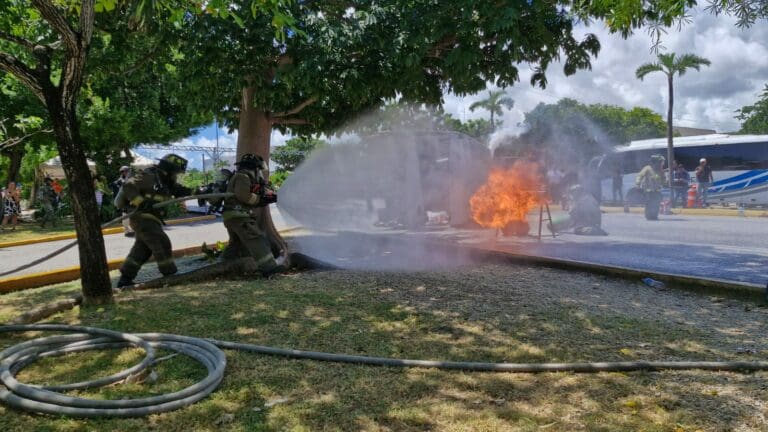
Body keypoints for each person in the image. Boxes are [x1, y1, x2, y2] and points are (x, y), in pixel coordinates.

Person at [114, 154, 192, 288]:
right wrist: (140, 201)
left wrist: (199, 191)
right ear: (168, 169)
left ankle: (125, 279)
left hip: (151, 219)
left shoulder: (165, 181)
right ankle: (170, 275)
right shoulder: (149, 176)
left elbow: (180, 190)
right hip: (142, 217)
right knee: (161, 242)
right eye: (175, 172)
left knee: (142, 250)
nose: (176, 176)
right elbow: (128, 186)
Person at [221, 153, 283, 275]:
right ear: (254, 168)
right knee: (256, 238)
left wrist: (269, 196)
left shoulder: (244, 177)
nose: (259, 173)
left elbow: (255, 192)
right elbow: (244, 196)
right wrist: (261, 200)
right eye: (258, 170)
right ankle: (269, 268)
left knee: (237, 243)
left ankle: (226, 262)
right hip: (238, 216)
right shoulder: (242, 177)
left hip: (233, 215)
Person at [636, 154, 666, 220]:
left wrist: (665, 182)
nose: (661, 164)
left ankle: (655, 216)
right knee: (649, 204)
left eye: (662, 162)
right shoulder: (647, 168)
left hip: (657, 191)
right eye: (660, 162)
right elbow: (640, 176)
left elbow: (664, 180)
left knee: (657, 204)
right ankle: (648, 216)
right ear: (655, 162)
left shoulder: (660, 170)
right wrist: (638, 184)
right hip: (648, 191)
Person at [111, 166, 134, 237]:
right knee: (125, 214)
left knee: (133, 214)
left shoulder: (131, 179)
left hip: (131, 199)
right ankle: (126, 230)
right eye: (126, 171)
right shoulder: (120, 181)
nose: (127, 172)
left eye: (128, 171)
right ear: (122, 172)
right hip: (124, 200)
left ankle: (132, 229)